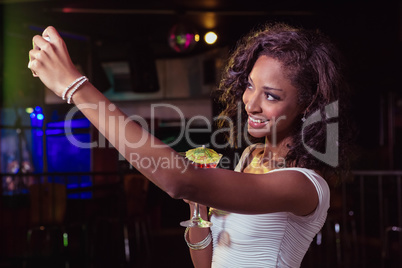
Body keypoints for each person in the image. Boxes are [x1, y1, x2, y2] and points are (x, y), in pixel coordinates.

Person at [28, 22, 353, 267]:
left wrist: (75, 87)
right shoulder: (251, 158)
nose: (251, 103)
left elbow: (178, 179)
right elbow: (206, 263)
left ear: (308, 105)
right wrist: (197, 205)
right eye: (250, 86)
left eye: (270, 96)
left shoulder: (304, 184)